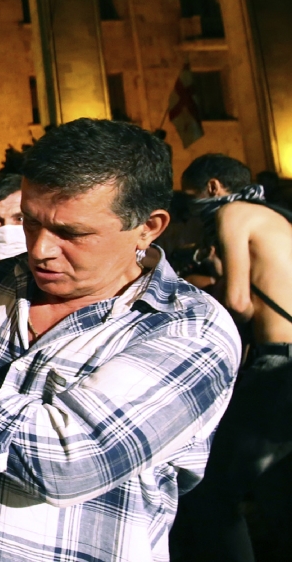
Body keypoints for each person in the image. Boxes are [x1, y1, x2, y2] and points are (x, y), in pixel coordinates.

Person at [0, 118, 242, 562]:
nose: (41, 248)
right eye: (31, 221)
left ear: (149, 226)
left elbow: (69, 460)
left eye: (72, 233)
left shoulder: (190, 329)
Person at [171, 154, 292, 562]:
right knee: (277, 486)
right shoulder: (271, 216)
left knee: (212, 493)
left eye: (189, 197)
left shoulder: (233, 213)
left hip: (279, 364)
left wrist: (193, 289)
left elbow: (238, 302)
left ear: (212, 188)